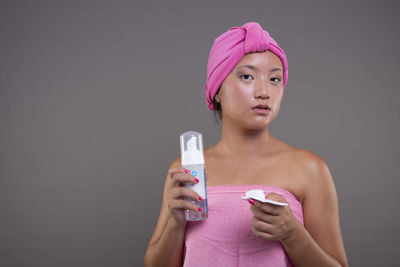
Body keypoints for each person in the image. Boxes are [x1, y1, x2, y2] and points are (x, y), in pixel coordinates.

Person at [144, 21, 348, 267]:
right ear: (217, 89)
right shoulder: (188, 169)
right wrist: (176, 223)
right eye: (247, 76)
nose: (264, 91)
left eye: (274, 79)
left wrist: (292, 234)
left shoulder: (310, 169)